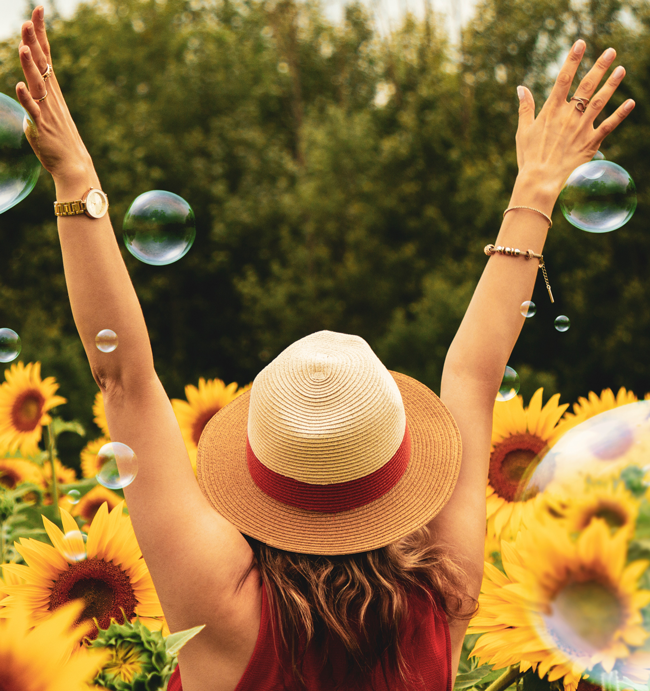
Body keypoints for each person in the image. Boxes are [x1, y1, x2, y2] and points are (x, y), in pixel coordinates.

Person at [14, 6, 634, 690]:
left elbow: (123, 375)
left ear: (261, 469)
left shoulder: (221, 606)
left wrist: (75, 178)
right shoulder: (439, 597)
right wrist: (537, 186)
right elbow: (475, 373)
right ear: (397, 473)